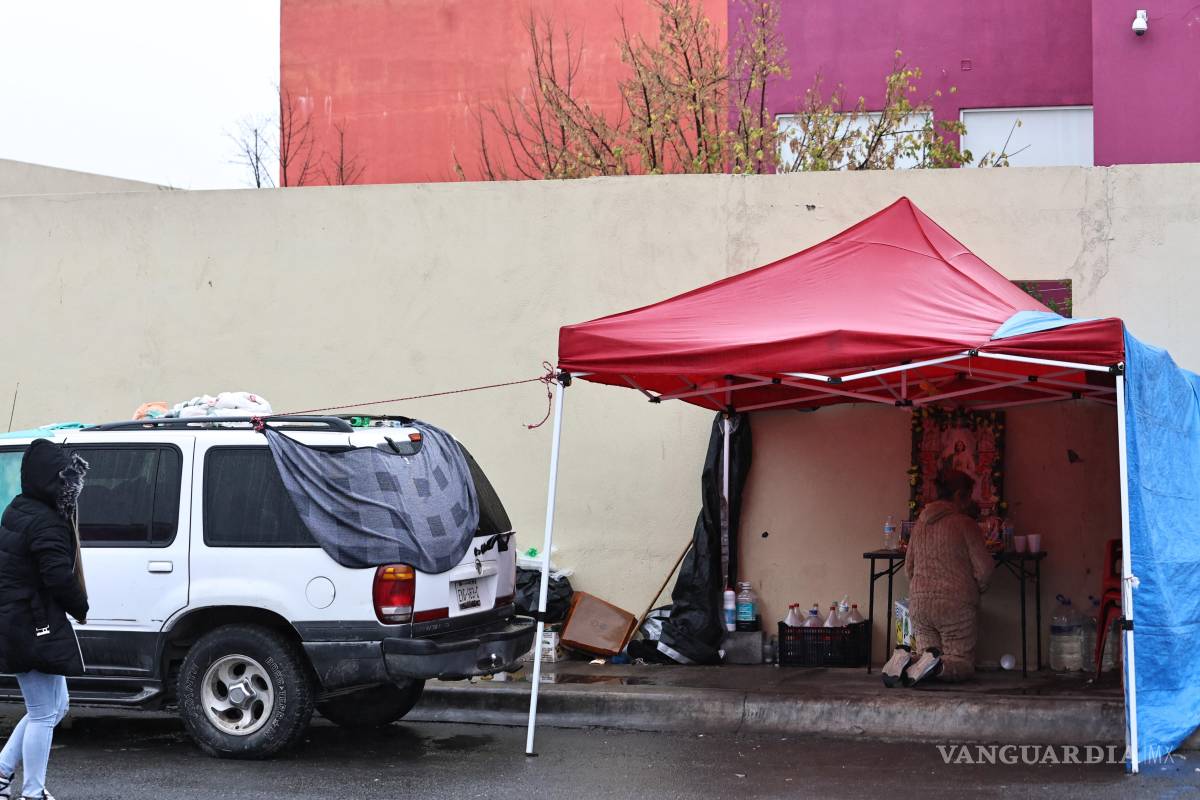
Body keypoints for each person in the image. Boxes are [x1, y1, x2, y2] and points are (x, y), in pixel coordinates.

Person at [0, 440, 90, 800]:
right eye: (67, 481)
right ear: (53, 481)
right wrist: (81, 606)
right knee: (42, 713)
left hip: (24, 619)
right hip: (31, 623)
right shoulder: (46, 522)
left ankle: (2, 772)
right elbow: (57, 577)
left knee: (55, 707)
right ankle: (33, 793)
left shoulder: (18, 508)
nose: (73, 488)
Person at [880, 469, 993, 687]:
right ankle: (939, 667)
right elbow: (985, 569)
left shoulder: (919, 526)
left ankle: (904, 659)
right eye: (969, 497)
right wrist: (975, 591)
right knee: (960, 661)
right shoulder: (965, 524)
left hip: (920, 606)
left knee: (926, 657)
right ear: (959, 495)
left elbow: (908, 570)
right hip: (956, 606)